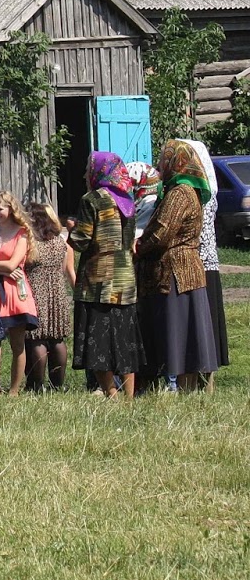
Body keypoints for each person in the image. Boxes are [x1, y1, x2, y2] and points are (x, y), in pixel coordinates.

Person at [135, 140, 219, 393]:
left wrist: (137, 247)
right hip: (185, 269)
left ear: (175, 162)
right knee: (186, 332)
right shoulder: (180, 190)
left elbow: (162, 231)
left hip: (176, 272)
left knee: (180, 332)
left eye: (164, 159)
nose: (160, 165)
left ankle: (185, 388)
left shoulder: (179, 193)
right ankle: (186, 388)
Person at [70, 152, 142, 399]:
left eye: (88, 169)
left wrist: (70, 229)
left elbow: (81, 240)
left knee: (97, 341)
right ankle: (129, 397)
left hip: (98, 282)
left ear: (98, 171)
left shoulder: (92, 200)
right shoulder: (127, 201)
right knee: (124, 340)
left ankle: (111, 393)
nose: (84, 175)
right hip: (125, 281)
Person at [182, 139, 229, 380]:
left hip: (196, 264)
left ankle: (197, 378)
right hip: (210, 264)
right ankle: (206, 379)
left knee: (200, 325)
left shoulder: (195, 195)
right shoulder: (208, 190)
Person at [0, 191, 38, 397]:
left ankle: (14, 389)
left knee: (17, 343)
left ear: (10, 209)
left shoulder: (21, 233)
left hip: (15, 291)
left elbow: (14, 264)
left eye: (0, 209)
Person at [23, 202, 75, 391]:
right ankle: (58, 385)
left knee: (37, 339)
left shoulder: (30, 243)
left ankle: (36, 384)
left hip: (36, 293)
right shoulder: (59, 241)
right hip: (57, 293)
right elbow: (65, 267)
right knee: (57, 339)